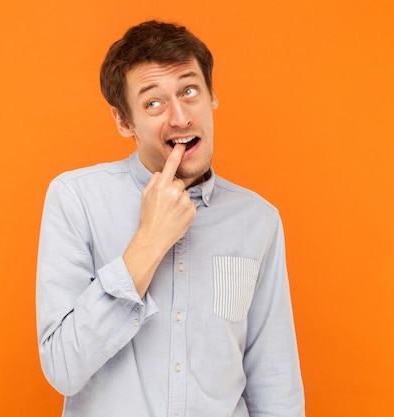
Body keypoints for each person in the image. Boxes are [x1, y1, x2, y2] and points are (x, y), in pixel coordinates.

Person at [36, 20, 305, 417]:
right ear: (124, 121)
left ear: (211, 96)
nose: (180, 118)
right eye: (153, 103)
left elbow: (274, 380)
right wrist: (148, 242)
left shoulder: (258, 220)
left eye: (189, 91)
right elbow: (63, 368)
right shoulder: (76, 199)